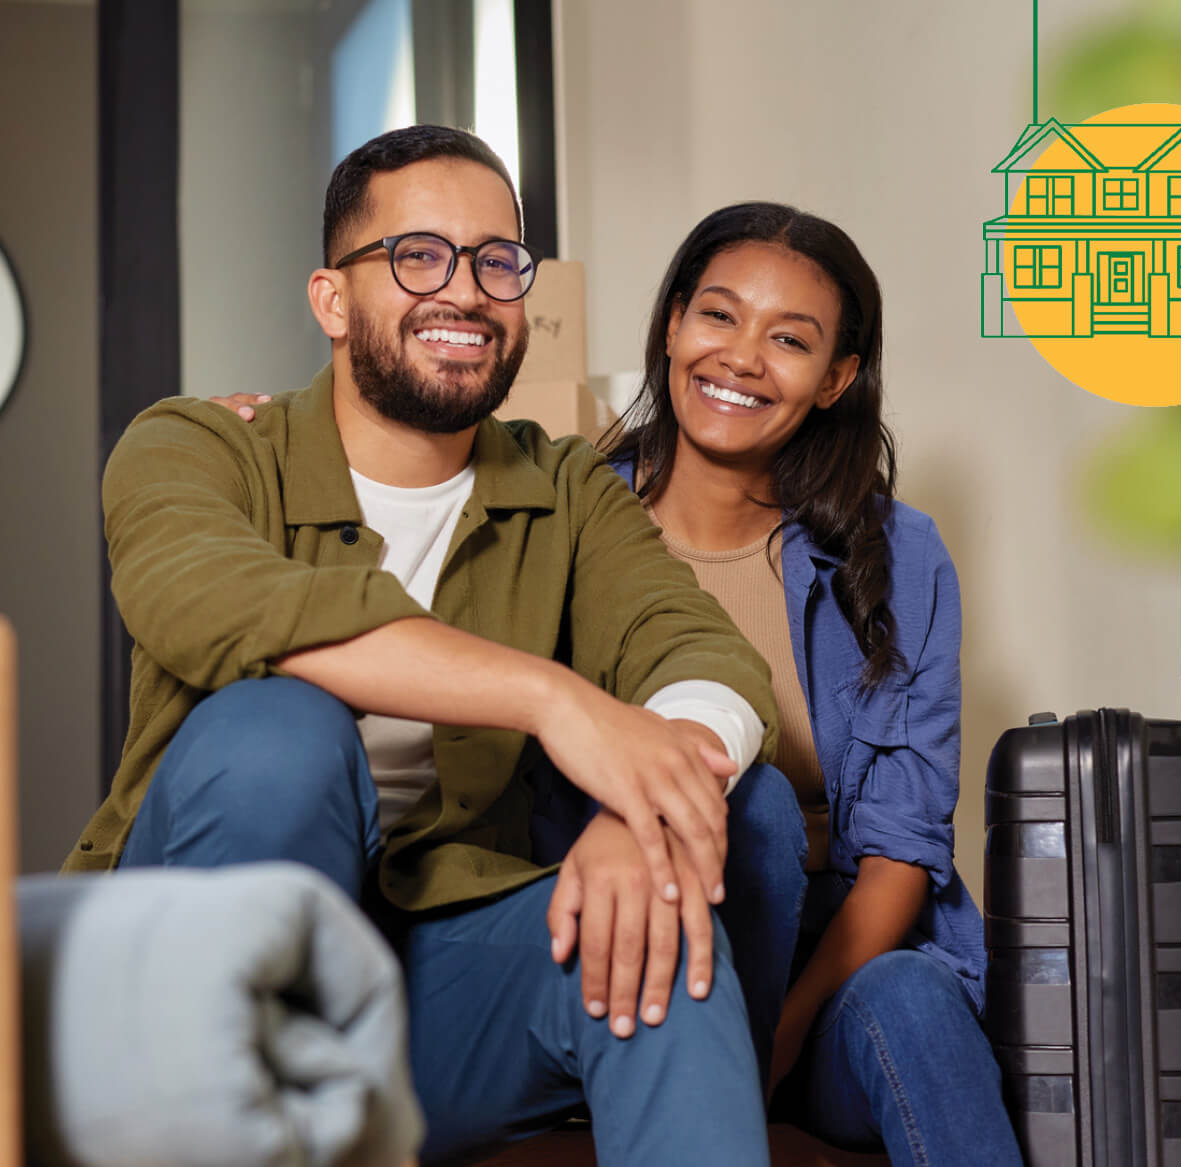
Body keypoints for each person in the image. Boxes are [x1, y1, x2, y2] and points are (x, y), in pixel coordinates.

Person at [67, 126, 788, 1166]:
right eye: (416, 256)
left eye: (497, 261)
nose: (465, 291)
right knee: (281, 732)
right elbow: (213, 602)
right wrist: (557, 700)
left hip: (429, 977)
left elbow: (705, 656)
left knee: (653, 932)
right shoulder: (197, 444)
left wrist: (648, 805)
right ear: (330, 299)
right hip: (181, 979)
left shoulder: (567, 487)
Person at [596, 203, 1025, 1163]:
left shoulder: (896, 554)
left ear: (835, 379)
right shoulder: (572, 521)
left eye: (788, 339)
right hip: (648, 955)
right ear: (671, 325)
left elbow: (902, 851)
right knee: (746, 797)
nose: (742, 357)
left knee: (914, 994)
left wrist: (774, 1036)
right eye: (717, 316)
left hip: (829, 973)